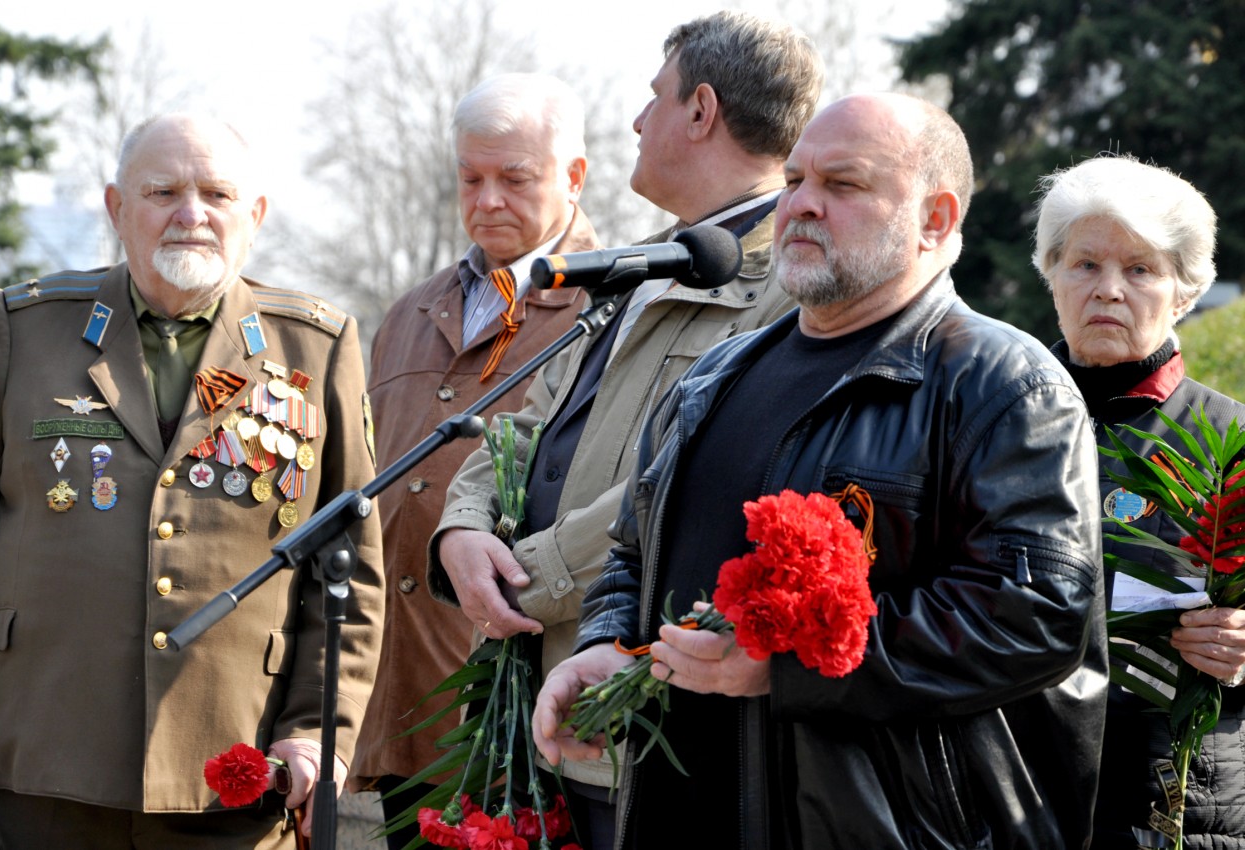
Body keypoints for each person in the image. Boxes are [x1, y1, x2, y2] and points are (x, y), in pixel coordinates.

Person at [532, 92, 1108, 849]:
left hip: (889, 828)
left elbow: (1037, 615)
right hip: (681, 812)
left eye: (843, 185)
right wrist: (606, 643)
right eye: (796, 180)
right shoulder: (715, 376)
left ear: (934, 219)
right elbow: (634, 550)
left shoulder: (1005, 385)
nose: (801, 205)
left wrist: (789, 665)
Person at [427, 11, 822, 846]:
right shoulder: (648, 261)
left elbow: (692, 486)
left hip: (642, 713)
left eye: (654, 99)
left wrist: (519, 578)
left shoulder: (785, 287)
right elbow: (528, 420)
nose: (638, 123)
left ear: (701, 110)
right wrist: (461, 532)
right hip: (542, 684)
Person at [0, 113, 385, 849]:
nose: (192, 214)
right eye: (163, 191)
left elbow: (348, 574)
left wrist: (321, 735)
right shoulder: (29, 331)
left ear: (252, 216)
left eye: (217, 194)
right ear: (116, 208)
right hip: (49, 756)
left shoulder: (314, 348)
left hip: (239, 765)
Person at [347, 72, 598, 848]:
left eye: (514, 179)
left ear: (574, 178)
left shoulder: (617, 308)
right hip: (404, 704)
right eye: (470, 178)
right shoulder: (407, 314)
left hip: (525, 712)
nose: (487, 199)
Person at [1031, 154, 1245, 848]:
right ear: (1052, 275)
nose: (1109, 291)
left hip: (1175, 801)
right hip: (1018, 785)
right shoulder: (997, 426)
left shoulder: (1231, 438)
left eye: (1141, 270)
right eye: (1086, 265)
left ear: (1184, 291)